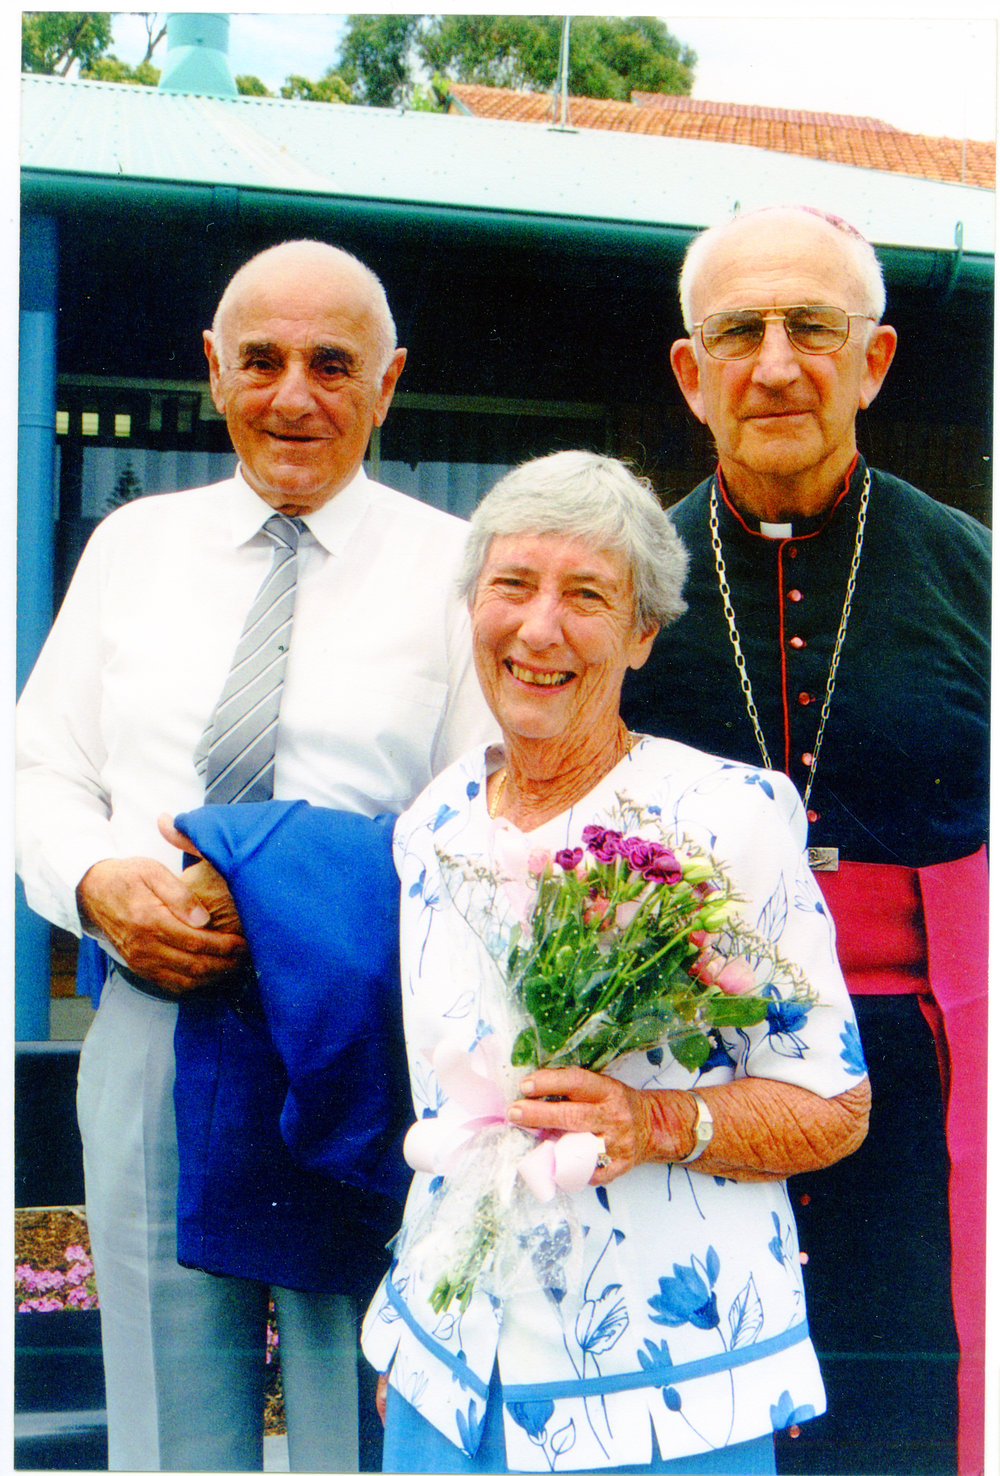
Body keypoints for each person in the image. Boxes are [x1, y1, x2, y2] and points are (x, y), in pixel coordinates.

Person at [15, 240, 494, 1472]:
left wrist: (291, 901)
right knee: (171, 1419)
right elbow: (41, 771)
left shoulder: (459, 570)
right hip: (153, 1016)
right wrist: (97, 884)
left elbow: (479, 823)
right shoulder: (135, 549)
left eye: (332, 364)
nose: (295, 396)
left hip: (355, 1039)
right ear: (212, 372)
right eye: (262, 361)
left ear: (388, 384)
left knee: (361, 1399)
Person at [357, 450, 871, 1474]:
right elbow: (445, 1109)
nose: (539, 629)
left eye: (586, 596)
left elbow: (835, 1106)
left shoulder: (729, 818)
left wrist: (653, 1123)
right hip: (444, 1380)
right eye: (512, 585)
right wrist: (413, 1327)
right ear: (474, 609)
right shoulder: (433, 823)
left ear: (640, 635)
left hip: (659, 1400)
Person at [620, 206, 989, 1476]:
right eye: (739, 332)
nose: (776, 364)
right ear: (692, 373)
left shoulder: (972, 572)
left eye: (812, 330)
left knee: (903, 1412)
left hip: (924, 1078)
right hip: (687, 1071)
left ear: (874, 362)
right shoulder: (627, 583)